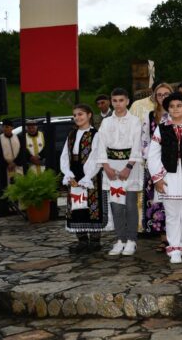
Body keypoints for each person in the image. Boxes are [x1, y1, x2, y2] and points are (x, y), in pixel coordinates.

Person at [147, 92, 182, 264]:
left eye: (179, 106)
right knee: (171, 214)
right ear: (167, 109)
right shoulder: (162, 129)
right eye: (172, 106)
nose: (175, 109)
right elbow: (153, 155)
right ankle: (175, 248)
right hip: (168, 175)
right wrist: (158, 178)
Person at [97, 88, 143, 257]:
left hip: (129, 166)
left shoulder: (135, 121)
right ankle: (120, 239)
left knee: (130, 205)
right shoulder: (106, 122)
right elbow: (100, 145)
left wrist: (128, 167)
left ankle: (131, 240)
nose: (118, 104)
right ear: (111, 102)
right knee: (116, 205)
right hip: (111, 166)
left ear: (127, 101)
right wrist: (106, 167)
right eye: (115, 100)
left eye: (121, 100)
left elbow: (137, 144)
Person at [60, 104, 105, 254]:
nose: (77, 117)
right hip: (74, 173)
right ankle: (82, 241)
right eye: (75, 115)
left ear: (89, 115)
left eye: (81, 114)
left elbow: (96, 157)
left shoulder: (95, 134)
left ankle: (95, 241)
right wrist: (68, 174)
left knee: (91, 206)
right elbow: (65, 155)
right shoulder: (71, 134)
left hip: (90, 175)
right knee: (76, 206)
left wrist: (87, 177)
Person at [139, 83, 173, 236]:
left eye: (166, 94)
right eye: (159, 94)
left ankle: (175, 236)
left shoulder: (178, 113)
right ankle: (163, 237)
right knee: (157, 202)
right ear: (155, 97)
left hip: (173, 164)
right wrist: (151, 160)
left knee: (173, 200)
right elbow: (144, 140)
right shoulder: (150, 116)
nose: (163, 97)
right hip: (154, 164)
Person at [0, 119, 22, 185]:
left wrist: (15, 162)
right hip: (6, 167)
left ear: (12, 128)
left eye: (7, 127)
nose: (5, 129)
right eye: (3, 127)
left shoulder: (18, 137)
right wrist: (7, 164)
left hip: (17, 165)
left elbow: (22, 151)